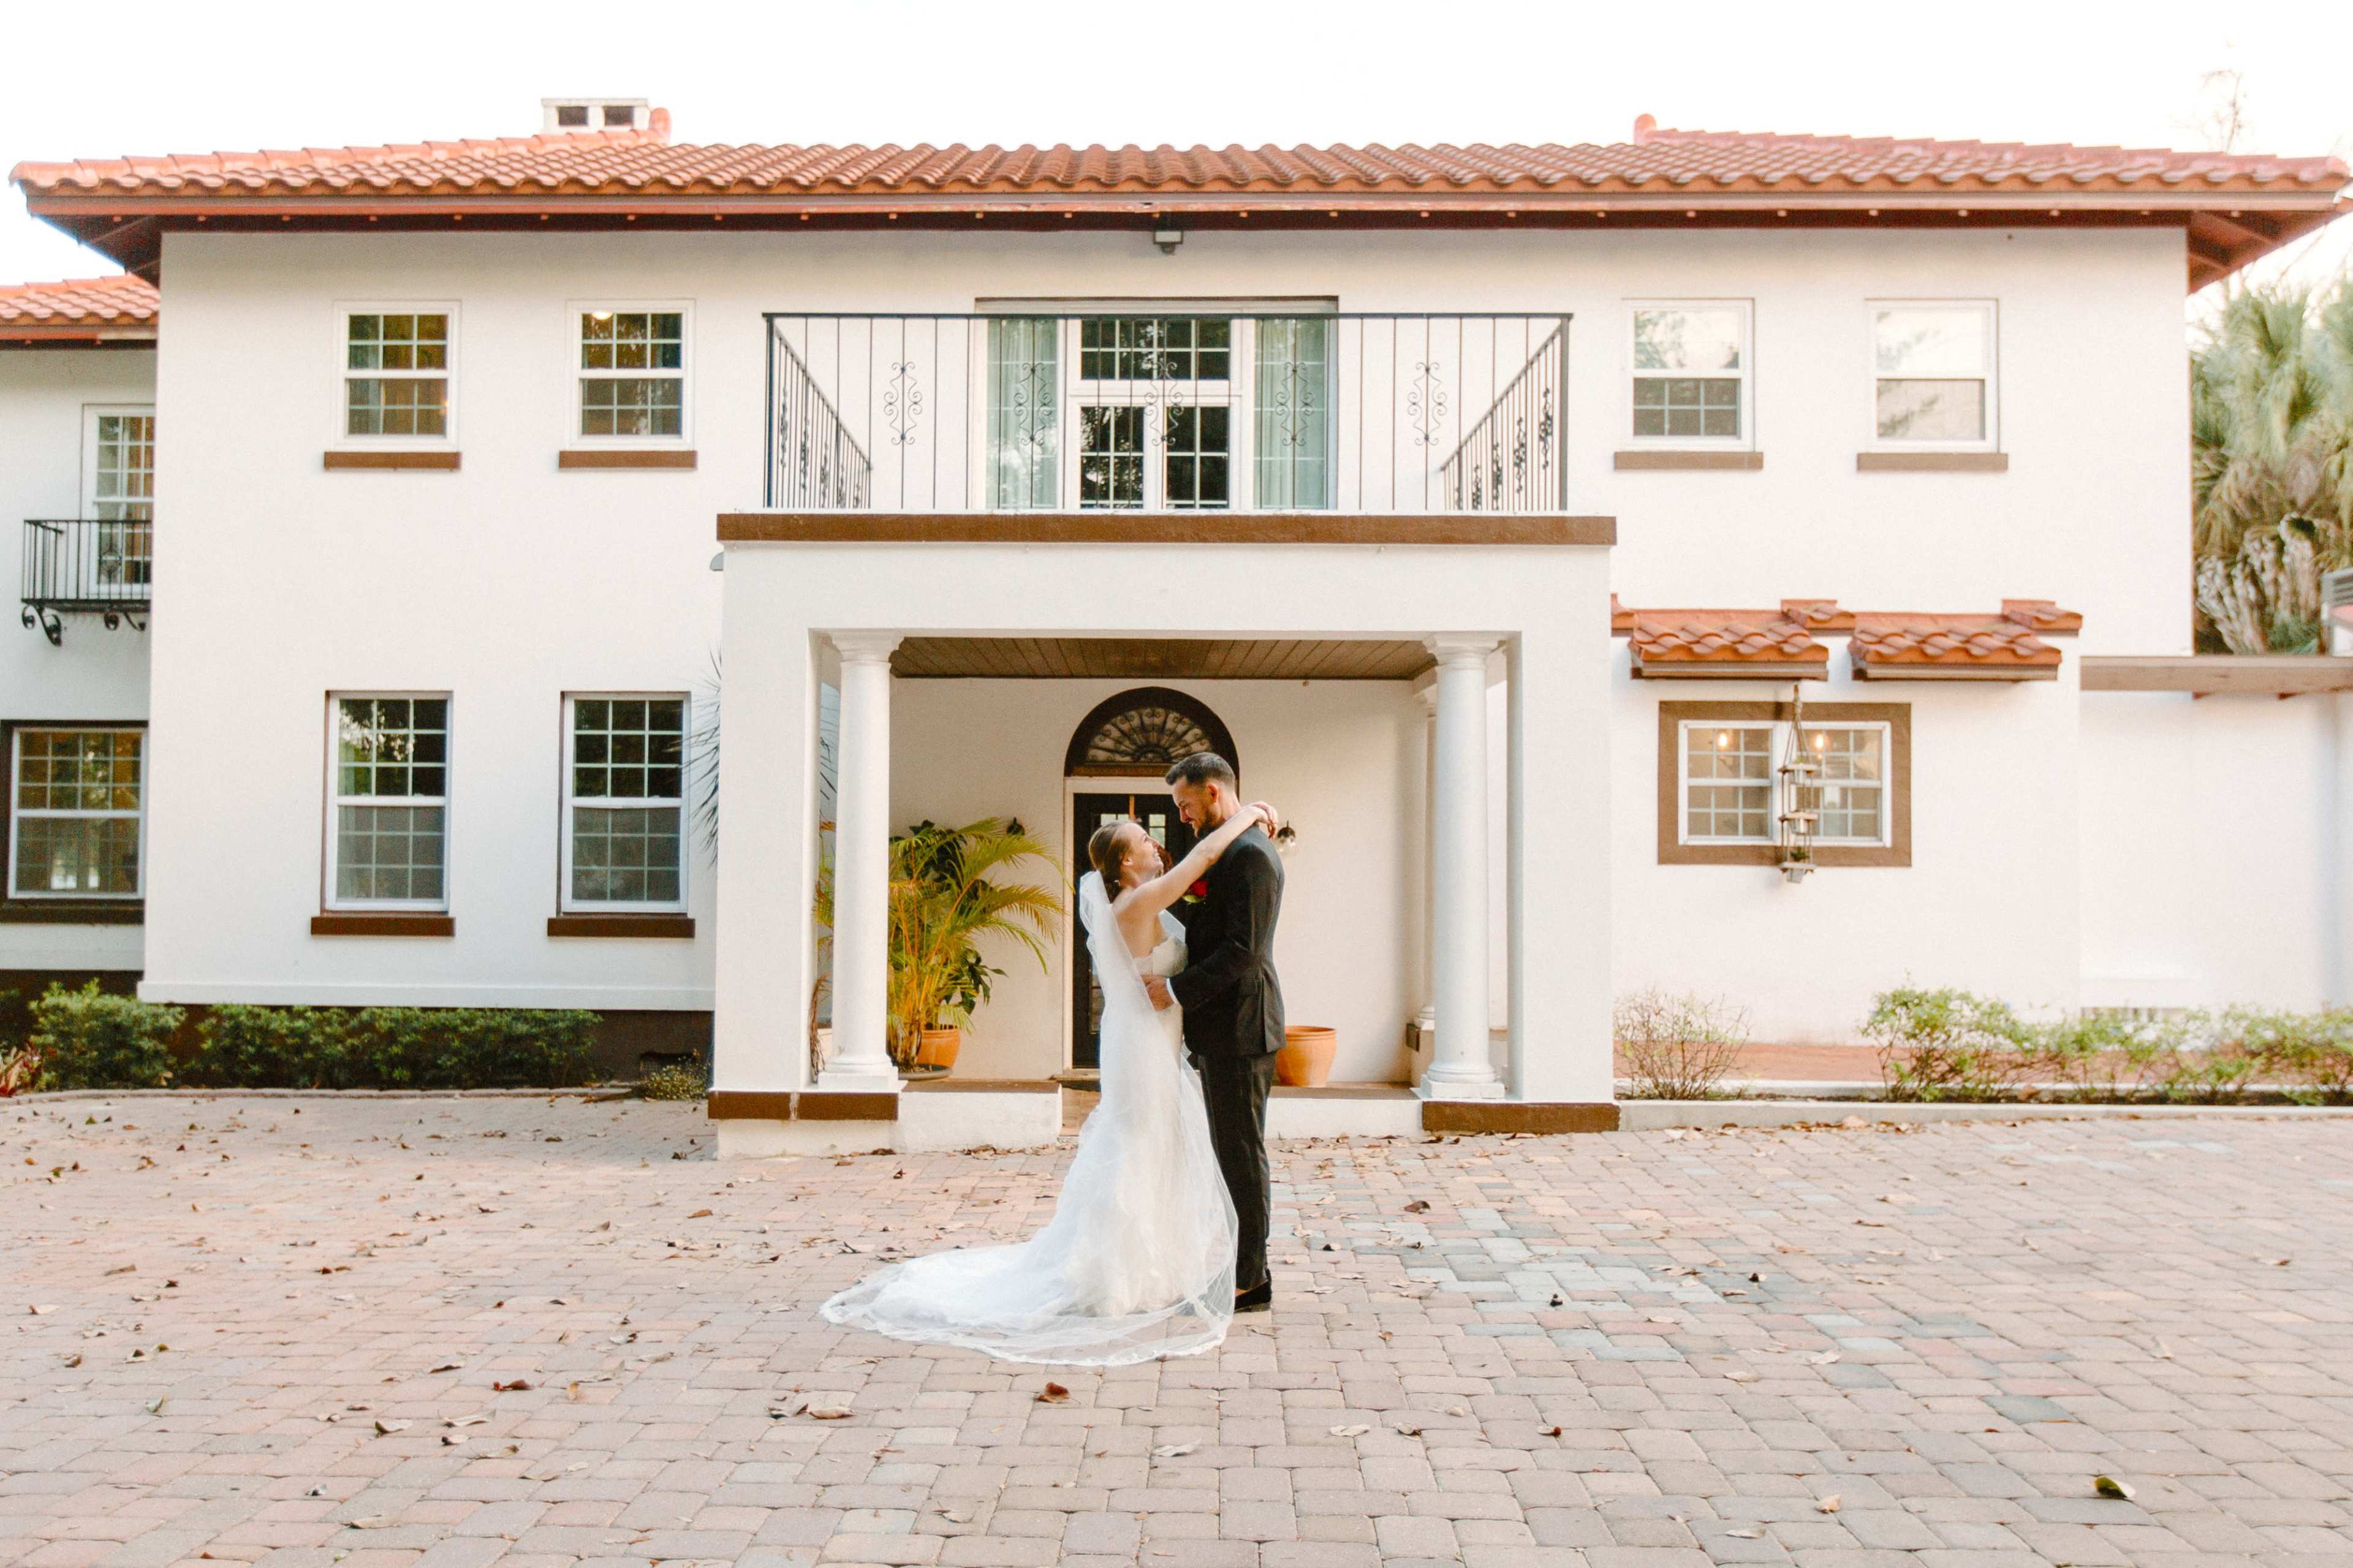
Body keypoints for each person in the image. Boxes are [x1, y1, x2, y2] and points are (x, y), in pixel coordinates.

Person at [819, 793, 1276, 1365]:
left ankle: (1150, 1267)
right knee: (1138, 1144)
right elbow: (1205, 855)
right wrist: (1252, 812)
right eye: (1143, 842)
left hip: (1154, 1039)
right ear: (1126, 867)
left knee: (1156, 1147)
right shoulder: (1137, 903)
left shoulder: (1141, 898)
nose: (1156, 844)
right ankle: (1113, 1275)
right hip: (1140, 1046)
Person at [1149, 752, 1285, 1314]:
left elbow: (1242, 951)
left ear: (1211, 791)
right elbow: (1206, 921)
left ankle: (1252, 1280)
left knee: (1241, 1153)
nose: (1182, 816)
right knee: (1230, 1150)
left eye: (1185, 804)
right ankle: (1240, 1267)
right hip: (1220, 1028)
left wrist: (1176, 991)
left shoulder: (1252, 856)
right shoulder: (1231, 845)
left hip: (1242, 1027)